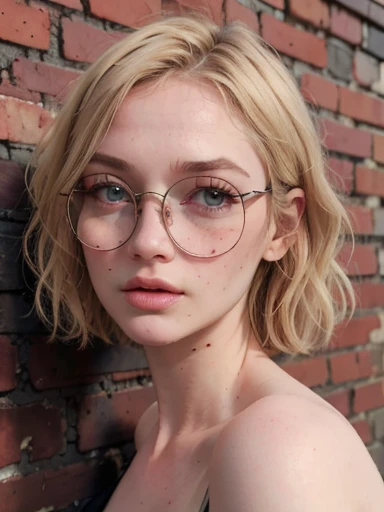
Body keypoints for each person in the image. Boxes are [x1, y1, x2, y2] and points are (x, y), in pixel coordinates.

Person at [24, 14, 384, 512]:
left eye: (212, 195)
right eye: (110, 190)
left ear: (281, 228)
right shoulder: (155, 428)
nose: (149, 241)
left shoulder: (279, 448)